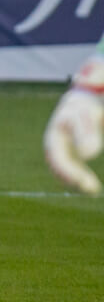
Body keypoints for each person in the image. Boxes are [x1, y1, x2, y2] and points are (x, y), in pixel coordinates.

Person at [44, 38, 104, 195]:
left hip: (77, 104)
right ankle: (87, 185)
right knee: (88, 150)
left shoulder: (97, 61)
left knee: (88, 149)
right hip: (79, 104)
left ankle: (88, 185)